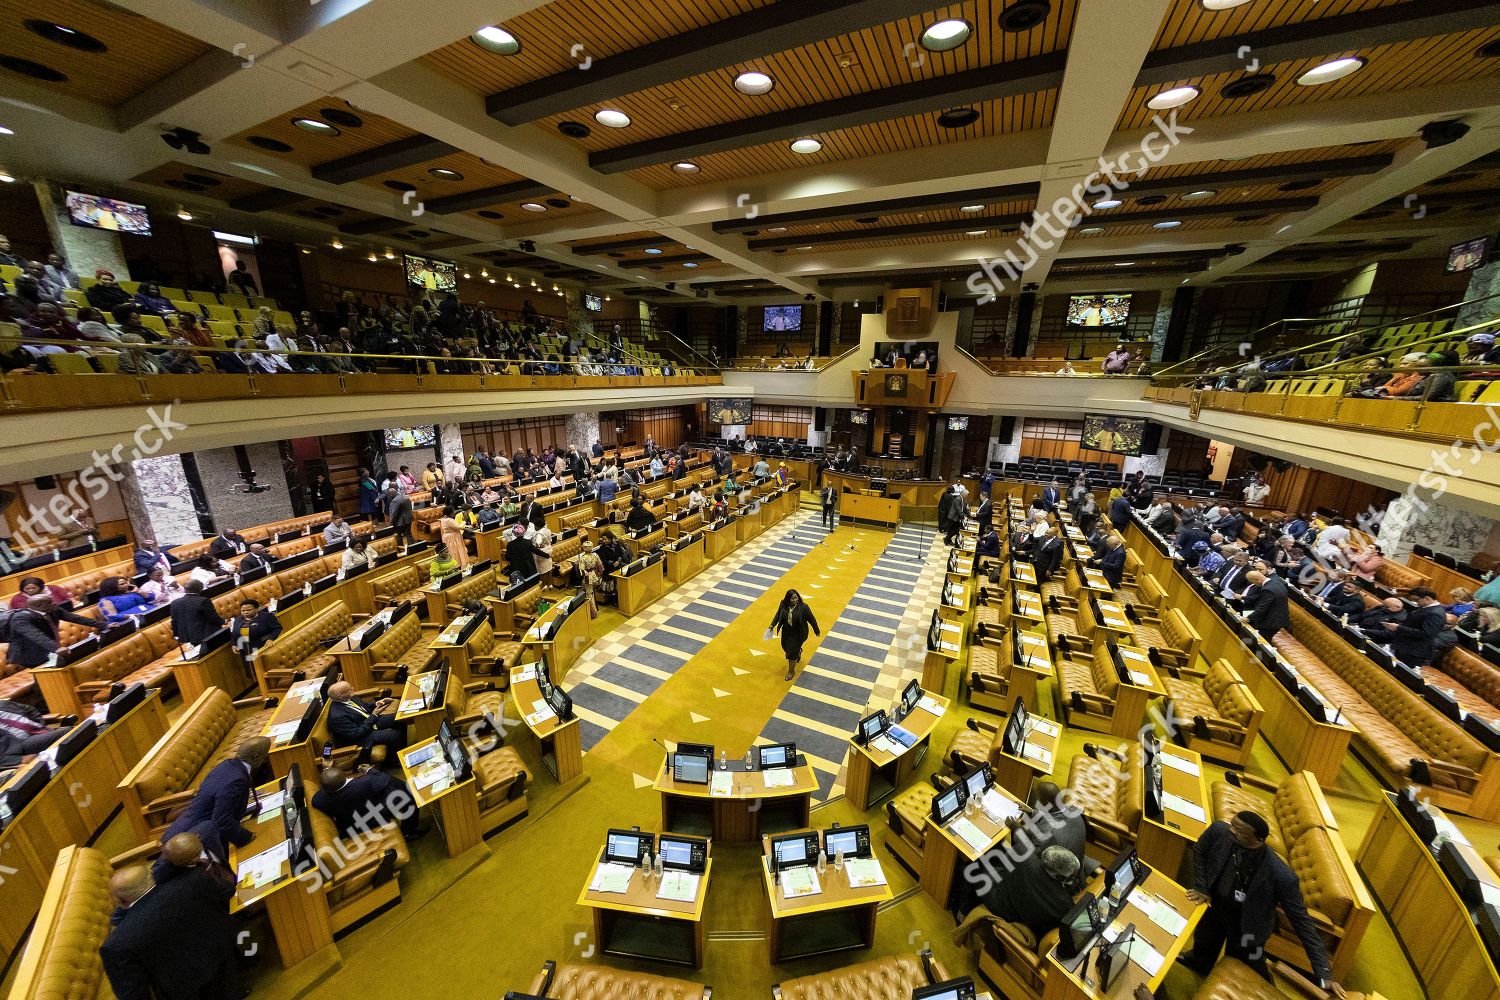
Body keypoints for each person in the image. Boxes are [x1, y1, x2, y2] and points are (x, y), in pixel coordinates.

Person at [1185, 811, 1335, 988]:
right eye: (1232, 824)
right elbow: (1200, 850)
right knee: (1203, 941)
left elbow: (1302, 921)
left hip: (1248, 927)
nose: (1231, 831)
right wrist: (1202, 887)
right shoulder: (1219, 830)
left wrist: (1324, 971)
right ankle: (1199, 963)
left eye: (1239, 830)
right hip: (1216, 907)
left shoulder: (1281, 875)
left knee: (1250, 966)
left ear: (1259, 840)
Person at [100, 862, 240, 1000]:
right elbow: (227, 892)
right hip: (225, 962)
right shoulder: (194, 881)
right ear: (151, 877)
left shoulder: (116, 946)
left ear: (120, 901)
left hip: (184, 991)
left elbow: (134, 994)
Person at [158, 737, 271, 855]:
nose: (266, 758)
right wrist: (246, 838)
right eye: (265, 754)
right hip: (185, 844)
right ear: (256, 757)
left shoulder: (226, 765)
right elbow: (222, 821)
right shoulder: (236, 780)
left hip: (184, 830)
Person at [954, 845, 1081, 943]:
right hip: (1025, 918)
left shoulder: (1024, 855)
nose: (1077, 880)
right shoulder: (1066, 905)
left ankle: (962, 913)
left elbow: (1011, 859)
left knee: (974, 865)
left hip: (999, 902)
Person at [313, 765, 423, 839]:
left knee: (394, 786)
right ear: (344, 775)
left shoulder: (319, 800)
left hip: (351, 825)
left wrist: (326, 770)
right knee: (405, 793)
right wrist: (369, 769)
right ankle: (408, 832)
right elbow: (383, 778)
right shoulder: (364, 783)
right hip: (373, 819)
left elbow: (323, 792)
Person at [5, 593, 103, 670]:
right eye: (51, 602)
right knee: (44, 676)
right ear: (38, 605)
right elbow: (35, 635)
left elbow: (75, 618)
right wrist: (56, 648)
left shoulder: (53, 609)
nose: (55, 603)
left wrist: (103, 624)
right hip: (28, 652)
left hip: (47, 648)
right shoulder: (20, 618)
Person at [328, 681, 408, 766]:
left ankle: (403, 750)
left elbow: (363, 706)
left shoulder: (348, 697)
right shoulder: (337, 716)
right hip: (360, 737)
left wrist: (377, 703)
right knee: (394, 735)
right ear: (340, 696)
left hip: (367, 722)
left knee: (400, 718)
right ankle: (393, 762)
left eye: (351, 687)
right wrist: (374, 715)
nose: (352, 689)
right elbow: (357, 733)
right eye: (349, 689)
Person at [1381, 586, 1446, 666]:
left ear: (1427, 598)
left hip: (1413, 653)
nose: (1416, 603)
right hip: (1405, 647)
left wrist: (1398, 628)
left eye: (1416, 600)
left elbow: (1426, 633)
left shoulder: (1436, 614)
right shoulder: (1426, 608)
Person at [0, 699, 70, 767]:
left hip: (40, 729)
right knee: (68, 732)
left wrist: (40, 725)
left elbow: (30, 709)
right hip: (21, 743)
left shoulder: (2, 704)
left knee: (69, 733)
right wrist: (19, 759)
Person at [769, 589, 820, 682]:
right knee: (785, 647)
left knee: (792, 654)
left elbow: (811, 619)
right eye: (792, 598)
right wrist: (772, 625)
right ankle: (798, 652)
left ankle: (791, 672)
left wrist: (816, 630)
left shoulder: (804, 607)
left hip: (798, 633)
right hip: (786, 632)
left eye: (796, 598)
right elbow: (778, 614)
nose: (794, 600)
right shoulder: (783, 604)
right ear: (787, 599)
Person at [169, 580, 224, 646]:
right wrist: (224, 622)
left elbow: (174, 621)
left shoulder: (174, 603)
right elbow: (213, 617)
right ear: (201, 589)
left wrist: (177, 635)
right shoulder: (203, 601)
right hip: (207, 636)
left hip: (188, 638)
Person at [1242, 570, 1290, 640]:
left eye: (1252, 582)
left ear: (1257, 579)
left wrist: (1248, 618)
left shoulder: (1267, 589)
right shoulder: (1277, 582)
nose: (1254, 584)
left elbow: (1262, 608)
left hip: (1271, 622)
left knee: (1261, 642)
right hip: (1276, 618)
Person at [7, 575, 75, 610]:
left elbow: (69, 598)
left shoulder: (53, 588)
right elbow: (26, 613)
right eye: (27, 589)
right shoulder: (17, 599)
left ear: (41, 587)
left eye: (33, 588)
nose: (30, 590)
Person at [576, 539, 606, 616]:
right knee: (591, 592)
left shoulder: (583, 558)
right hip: (594, 574)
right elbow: (600, 565)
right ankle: (594, 609)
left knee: (588, 593)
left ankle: (593, 612)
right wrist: (600, 574)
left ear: (583, 548)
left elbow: (582, 570)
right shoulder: (595, 555)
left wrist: (584, 577)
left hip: (588, 576)